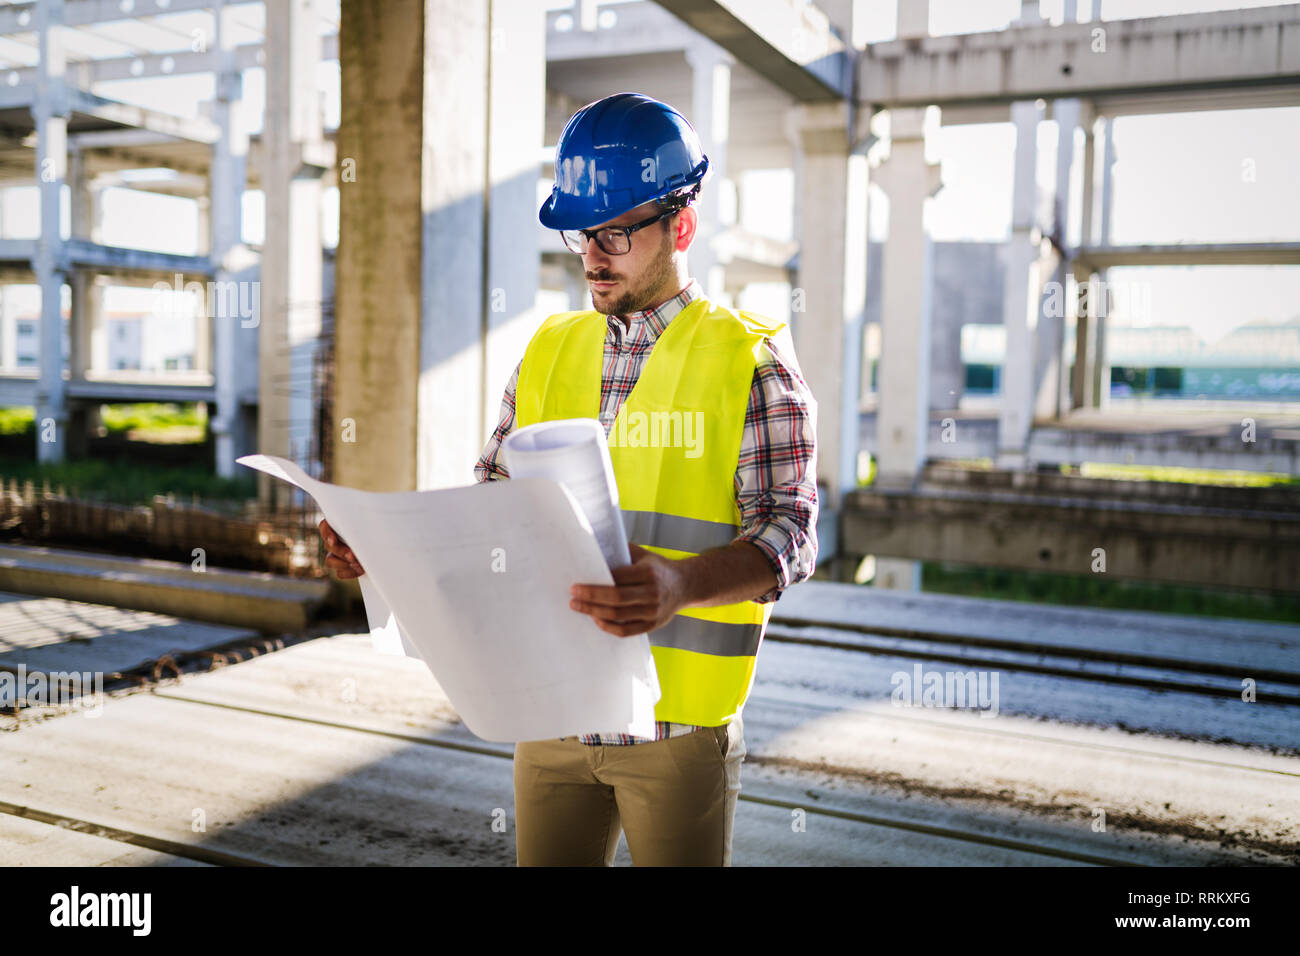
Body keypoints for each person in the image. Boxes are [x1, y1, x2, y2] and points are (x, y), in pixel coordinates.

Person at [321, 91, 818, 867]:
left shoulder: (750, 363)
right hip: (550, 718)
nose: (593, 256)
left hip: (676, 731)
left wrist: (679, 587)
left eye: (616, 233)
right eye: (584, 234)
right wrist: (380, 549)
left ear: (680, 226)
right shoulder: (549, 350)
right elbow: (487, 510)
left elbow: (790, 534)